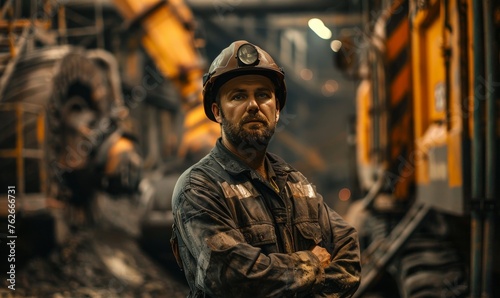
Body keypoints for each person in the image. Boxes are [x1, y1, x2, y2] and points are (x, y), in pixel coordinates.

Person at [171, 40, 361, 298]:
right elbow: (231, 276)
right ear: (217, 112)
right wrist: (310, 265)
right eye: (238, 96)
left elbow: (348, 256)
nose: (253, 105)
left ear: (277, 110)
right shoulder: (199, 187)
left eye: (263, 94)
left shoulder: (296, 184)